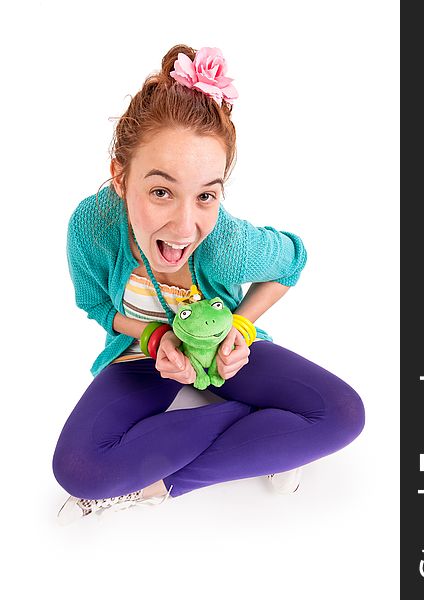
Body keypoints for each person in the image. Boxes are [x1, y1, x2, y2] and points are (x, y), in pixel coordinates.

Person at [52, 44, 365, 525]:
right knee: (78, 470)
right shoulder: (91, 226)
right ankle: (274, 440)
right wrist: (154, 337)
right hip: (142, 360)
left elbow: (293, 261)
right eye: (161, 191)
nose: (183, 227)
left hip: (225, 352)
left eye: (205, 196)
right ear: (120, 176)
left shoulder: (226, 240)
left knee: (343, 413)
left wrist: (241, 323)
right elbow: (95, 303)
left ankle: (158, 484)